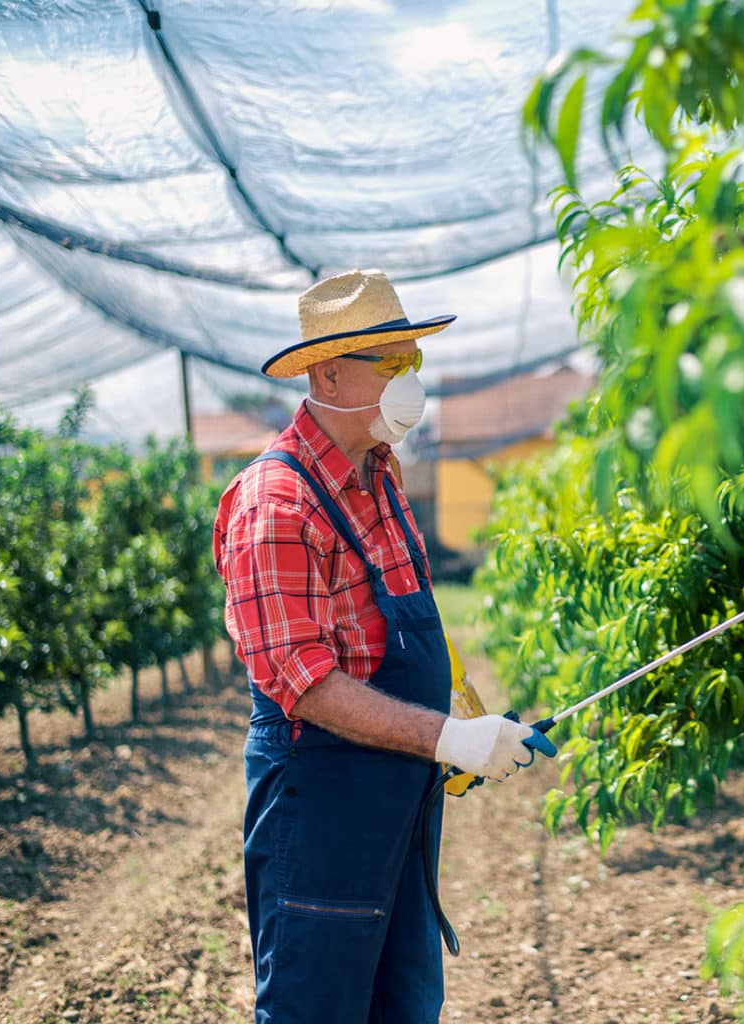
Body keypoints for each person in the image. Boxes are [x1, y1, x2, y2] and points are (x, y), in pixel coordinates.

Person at [213, 268, 557, 1024]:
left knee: (403, 1001)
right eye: (392, 363)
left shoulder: (382, 475)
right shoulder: (276, 504)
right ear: (328, 374)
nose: (411, 381)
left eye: (414, 361)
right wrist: (445, 737)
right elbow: (304, 682)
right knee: (318, 1006)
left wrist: (458, 712)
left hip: (399, 796)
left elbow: (398, 625)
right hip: (324, 805)